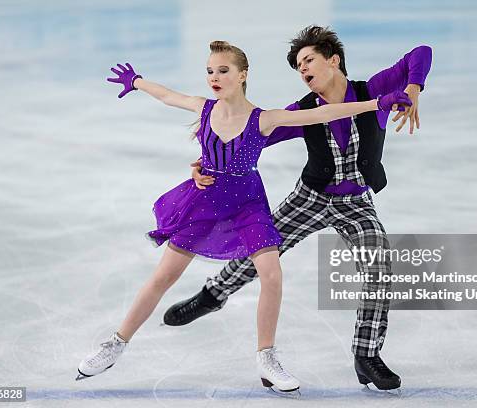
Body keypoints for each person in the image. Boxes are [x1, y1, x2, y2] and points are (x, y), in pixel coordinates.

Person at [74, 40, 412, 393]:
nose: (214, 78)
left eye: (223, 71)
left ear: (242, 75)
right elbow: (168, 96)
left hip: (249, 203)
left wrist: (379, 102)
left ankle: (266, 356)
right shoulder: (204, 108)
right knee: (163, 277)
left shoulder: (264, 118)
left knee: (272, 275)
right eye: (209, 71)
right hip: (205, 201)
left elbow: (322, 114)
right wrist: (137, 81)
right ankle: (115, 343)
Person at [163, 26, 433, 391]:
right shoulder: (303, 110)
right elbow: (250, 136)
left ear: (333, 60)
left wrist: (413, 89)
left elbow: (421, 50)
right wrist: (207, 160)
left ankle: (366, 355)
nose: (303, 70)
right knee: (261, 249)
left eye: (308, 61)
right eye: (298, 66)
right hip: (311, 197)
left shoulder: (373, 90)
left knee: (380, 264)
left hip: (356, 204)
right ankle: (212, 295)